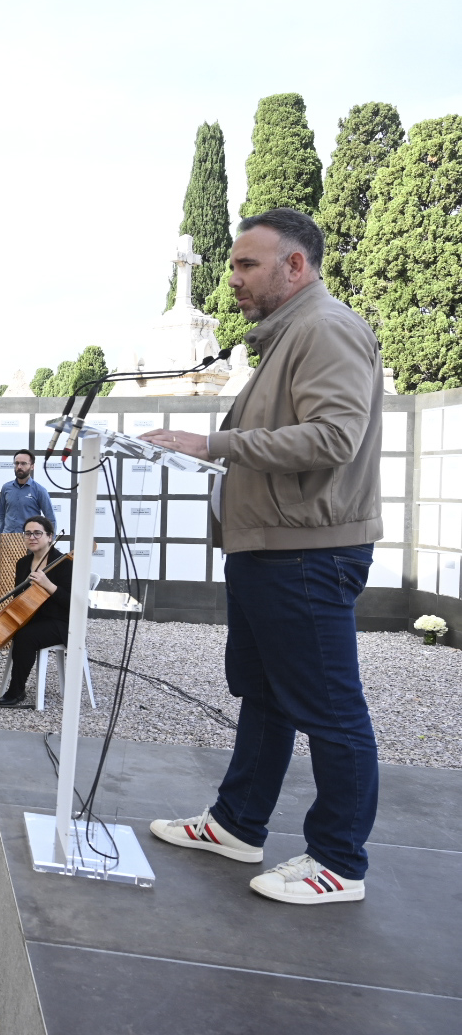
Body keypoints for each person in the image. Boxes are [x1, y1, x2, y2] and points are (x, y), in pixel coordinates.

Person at [142, 209, 384, 906]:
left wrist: (213, 445)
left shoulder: (325, 329)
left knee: (331, 710)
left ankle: (339, 862)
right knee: (267, 695)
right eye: (235, 265)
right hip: (270, 548)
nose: (234, 278)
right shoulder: (289, 336)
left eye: (248, 264)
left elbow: (332, 438)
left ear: (295, 266)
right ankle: (237, 824)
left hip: (306, 552)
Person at [0, 515, 69, 707]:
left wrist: (48, 585)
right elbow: (23, 598)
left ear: (50, 537)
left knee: (26, 636)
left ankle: (17, 691)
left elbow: (73, 603)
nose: (32, 537)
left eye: (37, 533)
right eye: (28, 533)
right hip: (31, 616)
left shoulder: (65, 563)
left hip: (59, 622)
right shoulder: (23, 563)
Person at [0, 449, 56, 534]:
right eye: (17, 463)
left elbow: (51, 518)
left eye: (23, 463)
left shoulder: (39, 490)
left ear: (32, 466)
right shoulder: (6, 488)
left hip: (29, 540)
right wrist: (0, 537)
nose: (19, 467)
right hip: (7, 539)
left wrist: (49, 543)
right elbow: (2, 515)